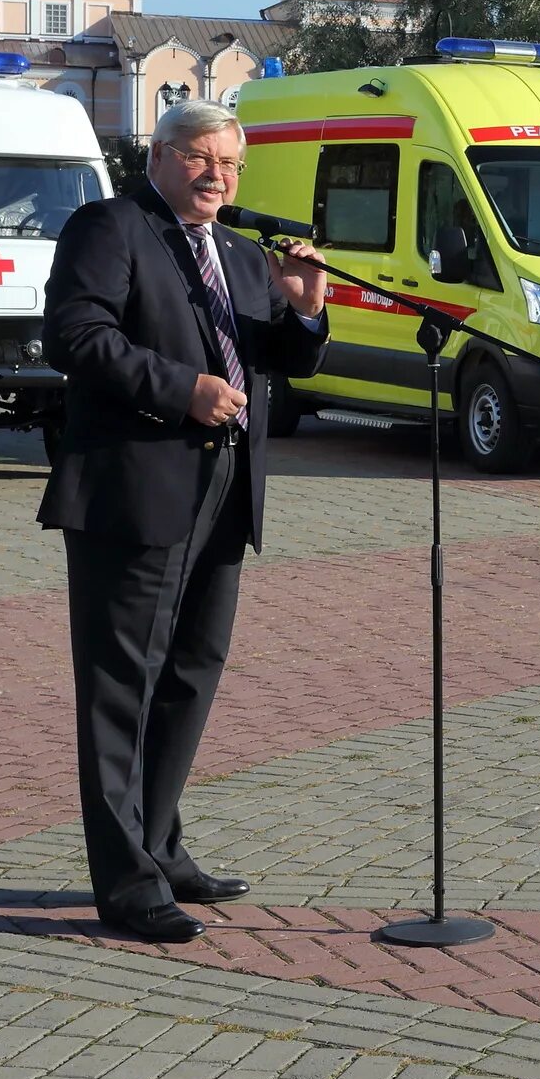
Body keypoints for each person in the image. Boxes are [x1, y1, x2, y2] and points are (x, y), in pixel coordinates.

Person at [38, 100, 330, 944]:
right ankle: (126, 882)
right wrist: (182, 390)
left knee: (192, 672)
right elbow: (75, 335)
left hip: (226, 490)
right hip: (133, 491)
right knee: (120, 689)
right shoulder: (110, 227)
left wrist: (306, 312)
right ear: (160, 155)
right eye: (201, 158)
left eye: (231, 164)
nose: (217, 176)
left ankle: (161, 845)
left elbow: (277, 352)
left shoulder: (238, 253)